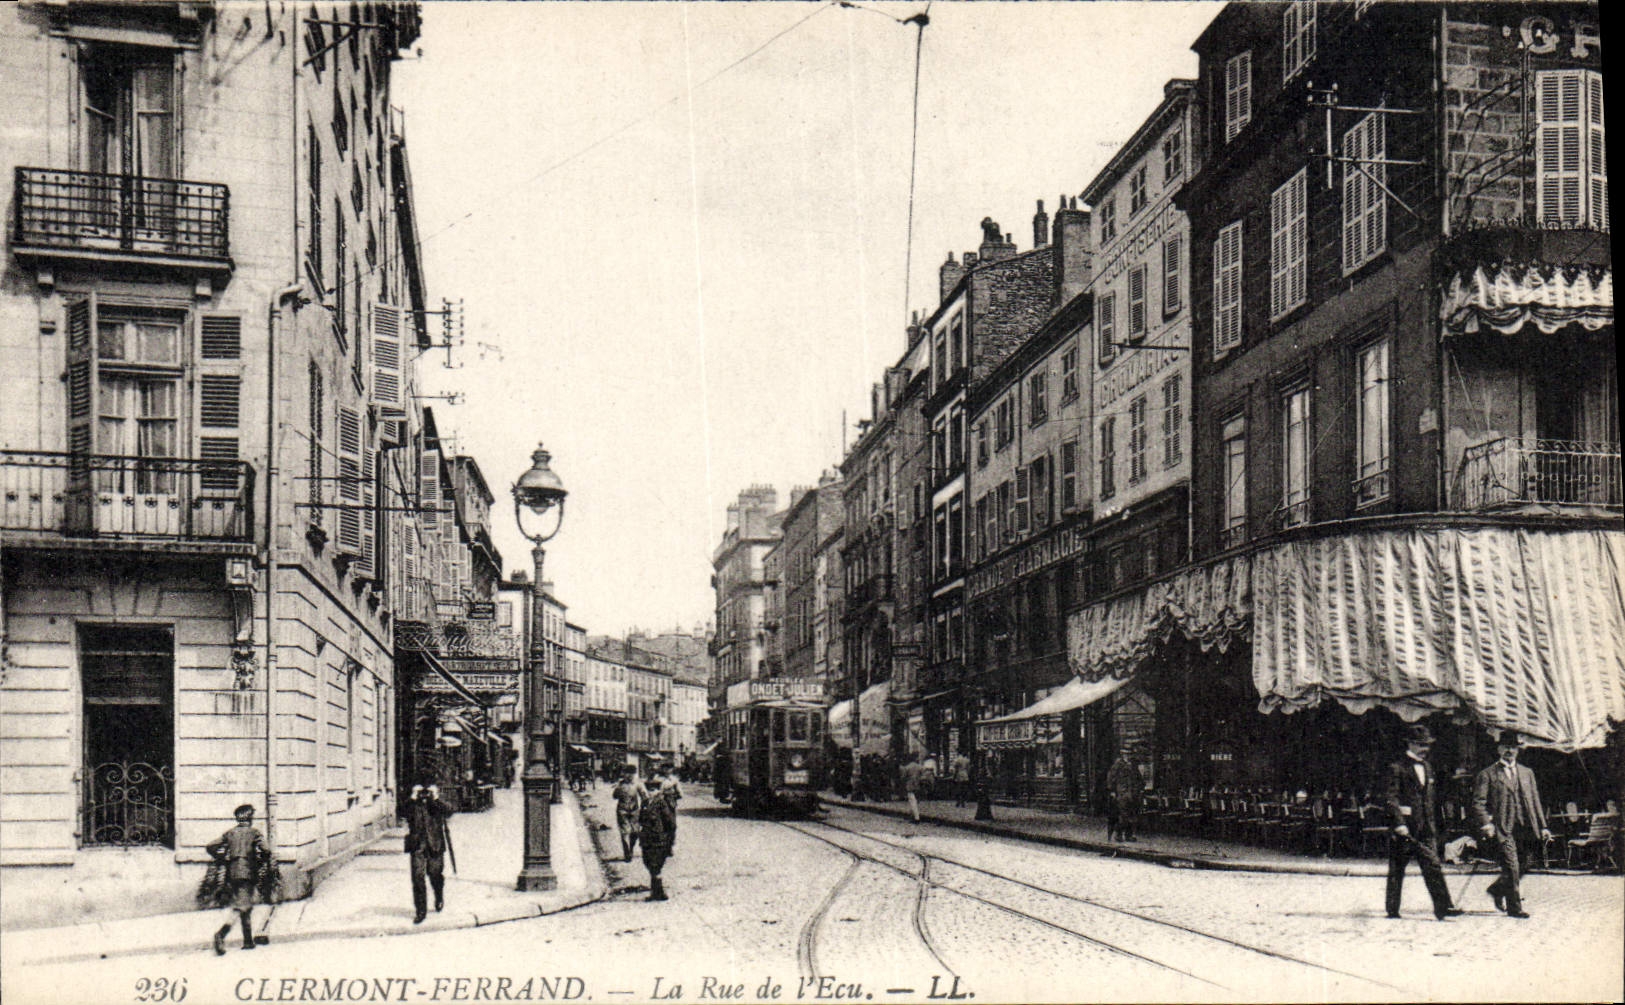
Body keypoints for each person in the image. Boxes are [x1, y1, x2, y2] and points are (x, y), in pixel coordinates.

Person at [1383, 724, 1464, 921]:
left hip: (1426, 828)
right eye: (1420, 745)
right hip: (1405, 829)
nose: (1424, 749)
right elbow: (1390, 798)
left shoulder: (1428, 767)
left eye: (1427, 745)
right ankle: (1392, 908)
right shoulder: (1396, 767)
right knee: (1397, 869)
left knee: (1433, 866)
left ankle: (1443, 907)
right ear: (1409, 744)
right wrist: (1399, 823)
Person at [1472, 730, 1552, 919]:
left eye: (1513, 747)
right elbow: (1478, 803)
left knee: (1528, 862)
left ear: (1518, 750)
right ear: (1499, 749)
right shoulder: (1487, 774)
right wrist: (1486, 823)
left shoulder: (1527, 773)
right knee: (1512, 866)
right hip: (1502, 827)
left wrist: (1543, 826)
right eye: (1506, 747)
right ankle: (1514, 908)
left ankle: (1497, 889)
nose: (1510, 751)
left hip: (1526, 825)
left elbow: (1535, 801)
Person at [205, 803, 271, 955]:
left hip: (232, 872)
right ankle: (221, 934)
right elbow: (266, 850)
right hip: (248, 872)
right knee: (241, 905)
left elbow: (210, 846)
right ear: (250, 818)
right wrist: (262, 860)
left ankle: (248, 941)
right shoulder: (254, 833)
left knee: (245, 903)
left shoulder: (230, 833)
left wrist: (221, 857)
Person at [403, 781, 454, 924]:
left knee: (435, 874)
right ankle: (421, 911)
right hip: (417, 845)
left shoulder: (436, 801)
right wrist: (412, 797)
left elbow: (450, 811)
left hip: (435, 844)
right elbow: (401, 812)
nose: (423, 794)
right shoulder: (412, 802)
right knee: (418, 877)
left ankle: (439, 896)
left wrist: (436, 797)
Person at [639, 770, 678, 901]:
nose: (651, 792)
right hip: (646, 839)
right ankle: (656, 892)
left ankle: (658, 893)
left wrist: (668, 840)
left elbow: (671, 823)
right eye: (649, 789)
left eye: (653, 789)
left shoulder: (661, 803)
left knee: (655, 865)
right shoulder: (645, 803)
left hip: (658, 840)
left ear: (658, 791)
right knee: (648, 863)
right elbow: (641, 819)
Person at [1105, 747, 1145, 842]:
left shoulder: (1133, 765)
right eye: (1125, 753)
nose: (1127, 755)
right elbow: (1111, 778)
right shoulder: (1118, 765)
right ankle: (1119, 834)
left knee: (1132, 814)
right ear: (1122, 754)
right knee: (1123, 815)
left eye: (1129, 754)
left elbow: (1138, 778)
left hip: (1133, 793)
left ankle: (1129, 835)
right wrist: (1112, 791)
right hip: (1122, 792)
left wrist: (1141, 787)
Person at [612, 767, 647, 863]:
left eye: (632, 773)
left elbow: (645, 796)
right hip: (622, 811)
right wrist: (618, 789)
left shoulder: (638, 784)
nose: (630, 776)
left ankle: (631, 848)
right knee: (624, 832)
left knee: (635, 832)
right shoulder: (620, 784)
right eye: (628, 773)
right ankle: (627, 853)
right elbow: (614, 796)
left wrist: (644, 805)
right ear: (624, 774)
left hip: (634, 811)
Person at [901, 754, 923, 823]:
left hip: (910, 786)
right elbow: (922, 775)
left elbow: (903, 777)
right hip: (917, 785)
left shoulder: (907, 768)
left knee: (912, 801)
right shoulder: (920, 767)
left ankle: (916, 818)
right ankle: (911, 816)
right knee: (914, 801)